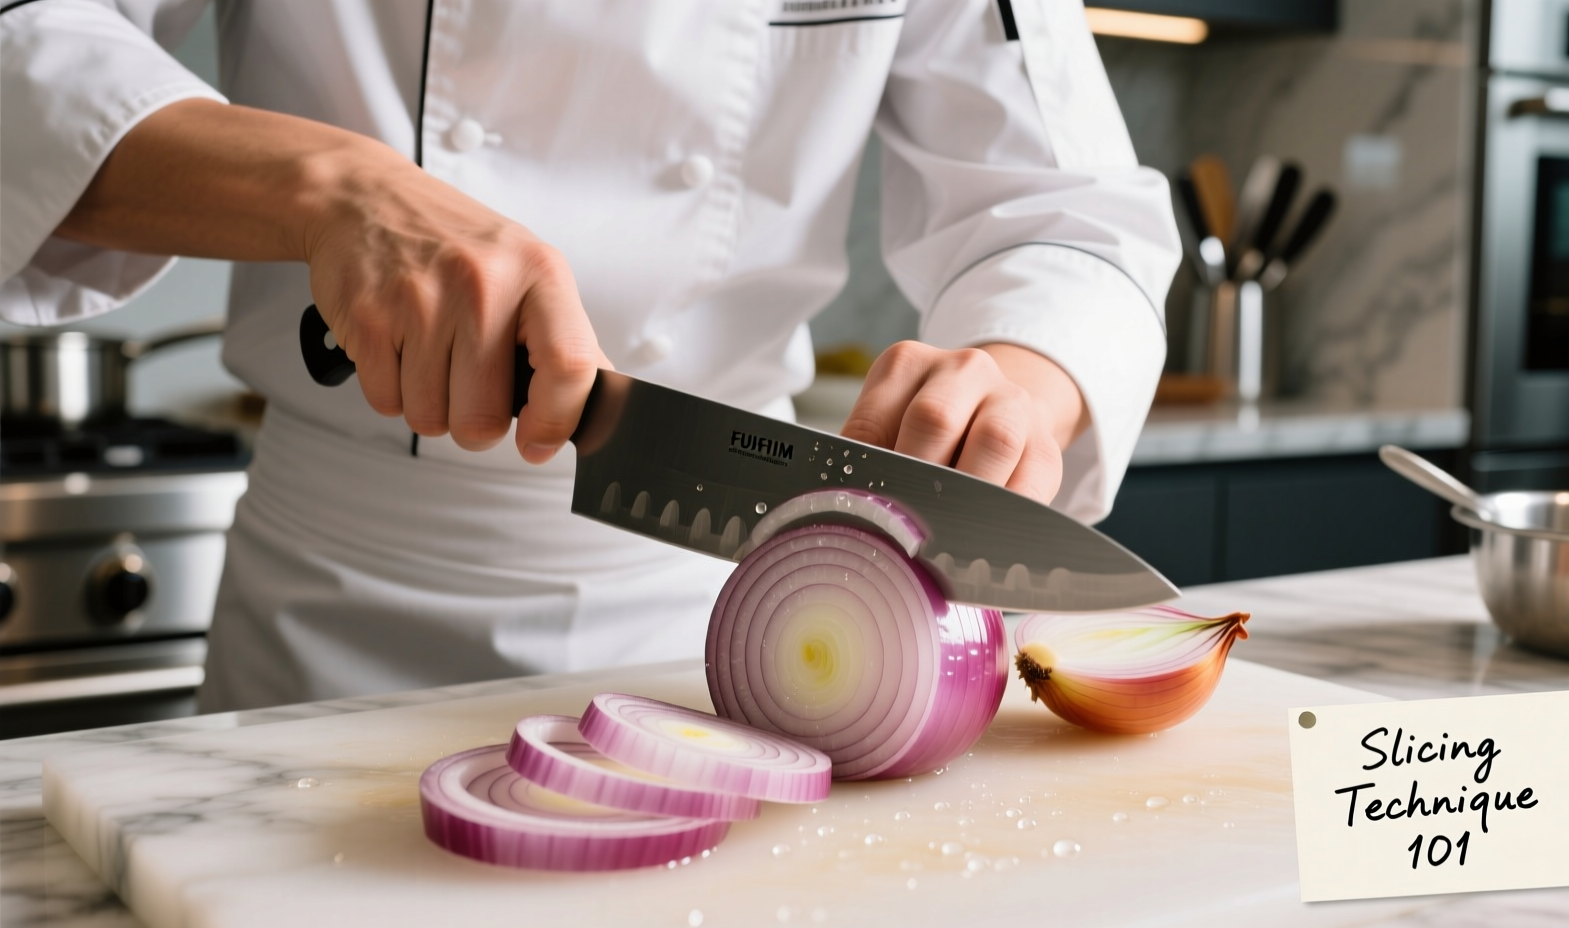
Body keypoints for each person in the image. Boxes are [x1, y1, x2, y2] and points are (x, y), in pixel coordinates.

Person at [0, 0, 1179, 711]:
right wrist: (331, 187)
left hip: (724, 632)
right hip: (331, 617)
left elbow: (1067, 209)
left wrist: (1020, 375)